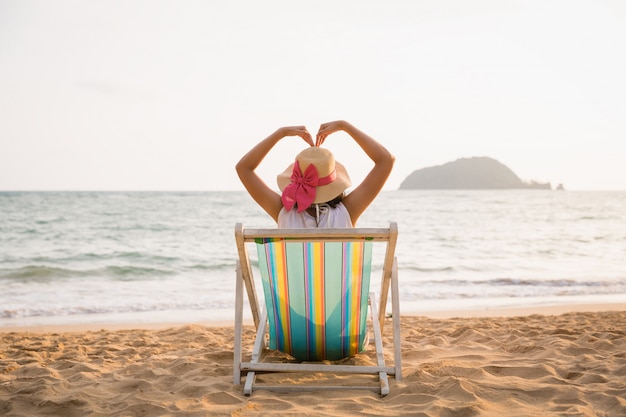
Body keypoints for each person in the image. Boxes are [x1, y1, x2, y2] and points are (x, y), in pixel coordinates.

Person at [236, 120, 395, 228]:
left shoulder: (282, 213)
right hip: (340, 280)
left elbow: (243, 168)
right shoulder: (347, 212)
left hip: (291, 280)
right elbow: (386, 160)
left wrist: (280, 133)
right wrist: (345, 126)